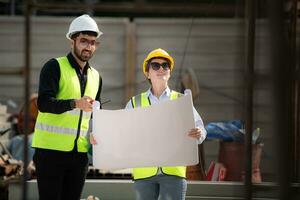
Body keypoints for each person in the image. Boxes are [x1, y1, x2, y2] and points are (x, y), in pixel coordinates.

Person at [32, 14, 103, 200]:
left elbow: (97, 113)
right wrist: (74, 103)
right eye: (84, 41)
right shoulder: (54, 67)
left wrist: (101, 134)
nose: (89, 46)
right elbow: (43, 103)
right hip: (50, 153)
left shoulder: (96, 76)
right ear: (72, 41)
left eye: (93, 42)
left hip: (79, 155)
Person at [126, 48, 206, 200]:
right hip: (144, 175)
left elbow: (200, 129)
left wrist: (199, 133)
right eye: (156, 65)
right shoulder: (134, 103)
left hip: (173, 174)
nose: (161, 69)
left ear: (169, 72)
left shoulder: (181, 100)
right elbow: (122, 134)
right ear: (147, 72)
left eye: (165, 66)